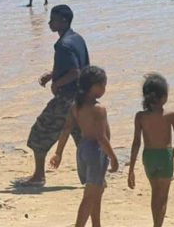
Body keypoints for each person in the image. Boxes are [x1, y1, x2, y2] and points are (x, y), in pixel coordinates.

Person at [22, 5, 89, 186]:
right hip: (82, 98)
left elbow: (75, 71)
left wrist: (56, 83)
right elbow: (80, 67)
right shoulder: (77, 39)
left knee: (39, 133)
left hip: (66, 98)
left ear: (64, 21)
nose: (50, 22)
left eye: (54, 19)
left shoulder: (63, 45)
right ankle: (93, 177)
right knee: (82, 137)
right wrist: (52, 74)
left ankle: (38, 176)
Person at [50, 66, 119, 227]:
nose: (104, 89)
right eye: (102, 85)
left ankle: (97, 224)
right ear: (92, 86)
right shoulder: (98, 109)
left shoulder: (76, 106)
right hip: (96, 151)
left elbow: (66, 129)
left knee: (97, 190)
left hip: (83, 149)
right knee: (90, 195)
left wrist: (58, 153)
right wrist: (113, 157)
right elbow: (102, 137)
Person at [128, 73, 174, 227]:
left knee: (154, 194)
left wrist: (131, 168)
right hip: (165, 156)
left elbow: (136, 143)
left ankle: (155, 224)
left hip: (149, 157)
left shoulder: (140, 117)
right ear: (164, 97)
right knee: (163, 196)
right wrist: (171, 156)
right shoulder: (171, 115)